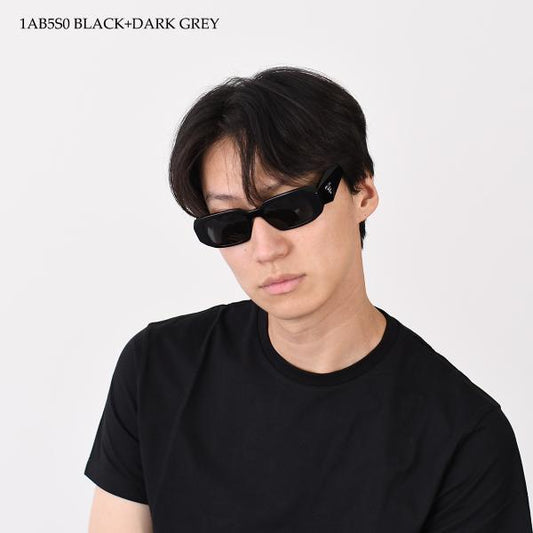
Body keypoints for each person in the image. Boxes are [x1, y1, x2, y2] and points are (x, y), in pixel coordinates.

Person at [84, 66, 533, 532]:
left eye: (290, 208)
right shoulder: (158, 368)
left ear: (362, 192)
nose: (265, 249)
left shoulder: (464, 437)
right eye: (230, 225)